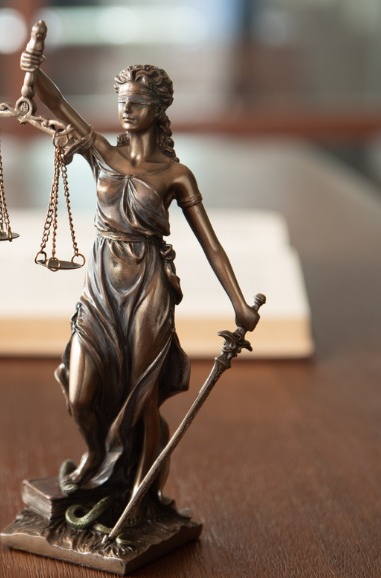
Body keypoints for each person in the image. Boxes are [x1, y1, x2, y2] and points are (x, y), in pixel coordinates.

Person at [19, 55, 260, 507]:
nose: (125, 110)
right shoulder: (101, 153)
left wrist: (239, 303)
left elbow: (211, 245)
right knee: (80, 394)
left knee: (142, 397)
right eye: (120, 102)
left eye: (136, 102)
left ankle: (138, 498)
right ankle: (95, 456)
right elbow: (56, 101)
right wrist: (32, 68)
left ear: (158, 108)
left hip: (148, 289)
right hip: (101, 289)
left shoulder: (176, 175)